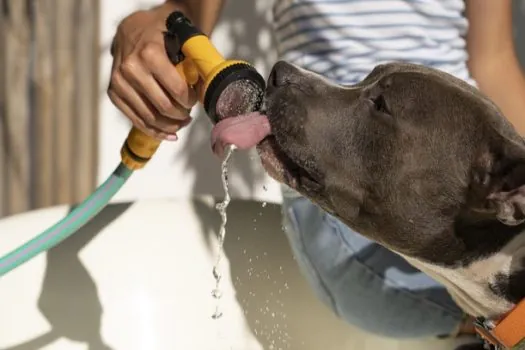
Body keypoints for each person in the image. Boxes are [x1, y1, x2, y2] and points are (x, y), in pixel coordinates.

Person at [108, 0, 525, 341]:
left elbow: (493, 62)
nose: (284, 73)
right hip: (347, 185)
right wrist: (142, 28)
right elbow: (182, 15)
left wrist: (515, 180)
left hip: (459, 181)